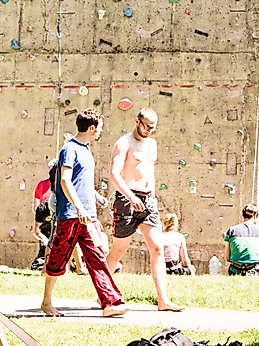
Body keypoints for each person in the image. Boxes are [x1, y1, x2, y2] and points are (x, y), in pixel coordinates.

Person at [41, 108, 128, 318]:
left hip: (88, 217)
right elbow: (64, 180)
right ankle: (46, 302)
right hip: (69, 215)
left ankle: (109, 303)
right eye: (99, 128)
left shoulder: (86, 150)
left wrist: (95, 196)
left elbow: (81, 182)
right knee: (57, 260)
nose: (100, 132)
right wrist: (79, 207)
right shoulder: (69, 149)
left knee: (97, 257)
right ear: (91, 128)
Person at [105, 108, 185, 311]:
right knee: (119, 250)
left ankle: (163, 300)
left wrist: (152, 197)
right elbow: (114, 174)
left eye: (153, 127)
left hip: (148, 201)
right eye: (147, 126)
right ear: (137, 121)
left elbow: (148, 172)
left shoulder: (152, 144)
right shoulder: (124, 143)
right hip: (126, 198)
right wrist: (131, 197)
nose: (150, 130)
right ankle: (103, 293)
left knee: (157, 248)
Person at [224, 203, 259, 276]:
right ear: (255, 216)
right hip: (255, 271)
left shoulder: (231, 231)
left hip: (235, 271)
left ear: (243, 215)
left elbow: (227, 258)